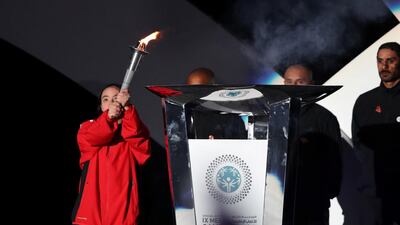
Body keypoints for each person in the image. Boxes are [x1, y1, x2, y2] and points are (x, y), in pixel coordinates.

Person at [72, 84, 151, 225]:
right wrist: (108, 118)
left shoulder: (132, 136)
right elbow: (95, 136)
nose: (111, 103)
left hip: (123, 217)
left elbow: (140, 142)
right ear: (101, 107)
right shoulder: (86, 129)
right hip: (90, 217)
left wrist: (128, 108)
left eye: (116, 98)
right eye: (106, 99)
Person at [283, 64, 342, 225]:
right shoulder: (272, 114)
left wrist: (328, 192)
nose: (293, 87)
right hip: (278, 200)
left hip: (314, 201)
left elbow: (335, 160)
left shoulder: (325, 118)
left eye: (299, 82)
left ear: (311, 84)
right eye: (289, 82)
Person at [352, 42, 400, 225]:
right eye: (380, 61)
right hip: (372, 195)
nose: (384, 66)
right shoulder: (365, 101)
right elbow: (358, 146)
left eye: (390, 61)